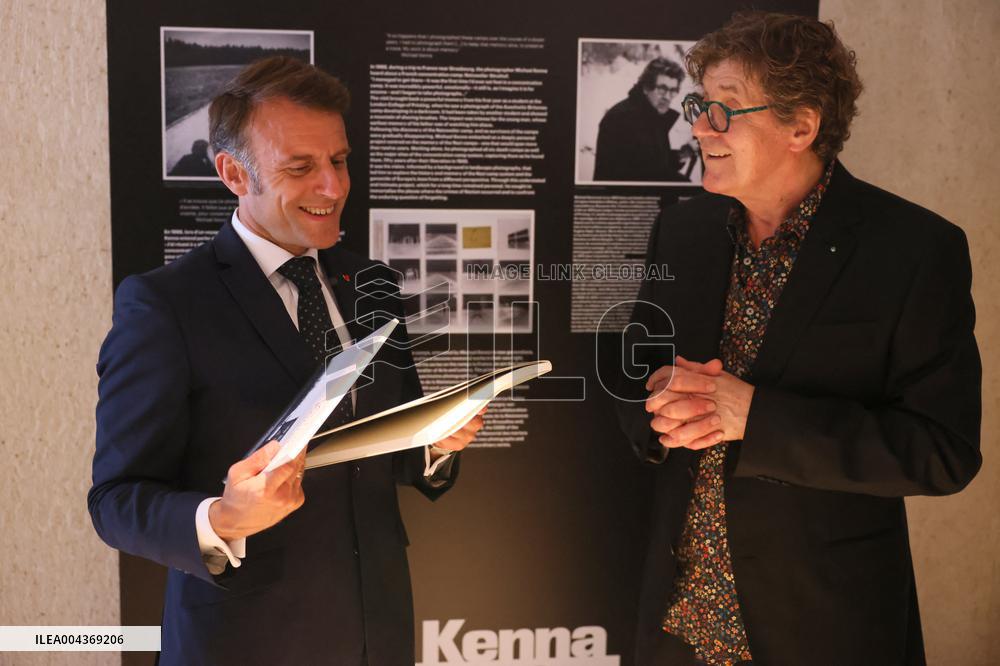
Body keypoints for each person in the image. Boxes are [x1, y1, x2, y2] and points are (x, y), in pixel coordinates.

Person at [89, 56, 484, 666]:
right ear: (233, 173)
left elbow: (392, 448)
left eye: (339, 161)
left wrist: (436, 444)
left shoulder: (372, 283)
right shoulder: (165, 305)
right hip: (244, 644)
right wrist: (223, 518)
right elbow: (115, 501)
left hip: (378, 637)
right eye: (301, 168)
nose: (333, 187)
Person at [615, 12, 981, 666]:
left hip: (822, 628)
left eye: (723, 110)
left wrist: (755, 417)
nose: (698, 127)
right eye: (699, 106)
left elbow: (941, 452)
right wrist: (659, 403)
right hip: (678, 627)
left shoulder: (913, 250)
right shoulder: (683, 232)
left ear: (801, 127)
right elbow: (632, 368)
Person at [593, 56, 694, 183]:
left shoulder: (652, 115)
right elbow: (641, 176)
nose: (667, 97)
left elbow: (653, 163)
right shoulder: (623, 119)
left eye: (673, 90)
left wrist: (682, 154)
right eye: (662, 89)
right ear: (646, 88)